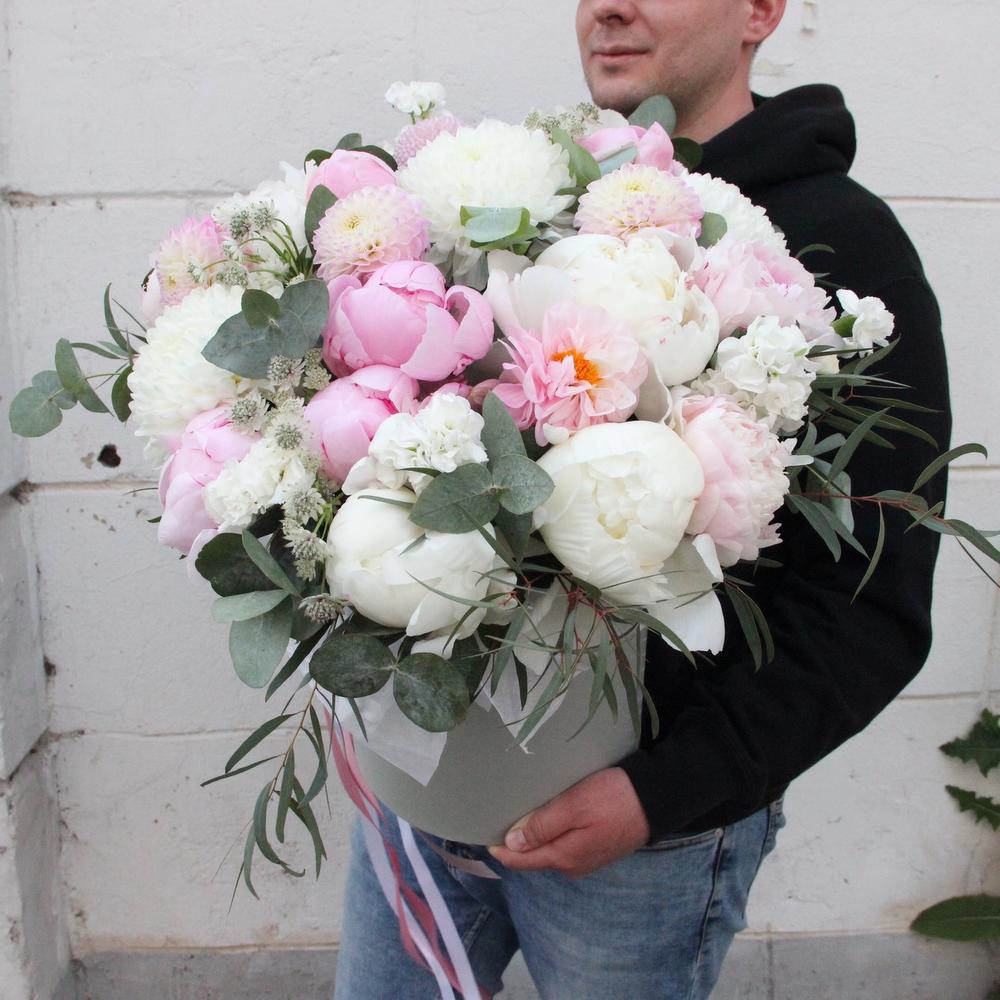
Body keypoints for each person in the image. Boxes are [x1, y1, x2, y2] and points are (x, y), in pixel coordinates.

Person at [333, 1, 951, 997]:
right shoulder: (539, 201)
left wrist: (660, 792)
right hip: (432, 788)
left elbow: (871, 606)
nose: (608, 7)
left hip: (638, 844)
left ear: (760, 12)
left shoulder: (842, 245)